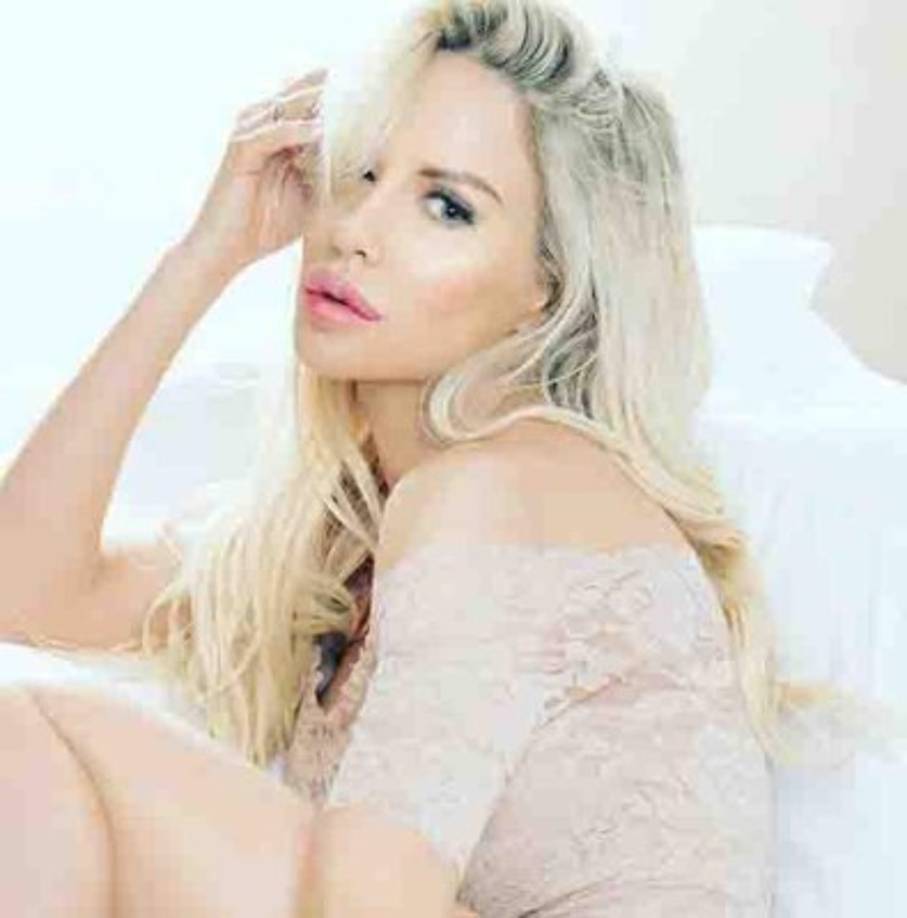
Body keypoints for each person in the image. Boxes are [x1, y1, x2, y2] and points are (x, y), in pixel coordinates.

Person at [3, 0, 893, 914]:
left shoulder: (502, 489)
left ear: (547, 286)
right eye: (361, 171)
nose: (355, 228)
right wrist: (203, 256)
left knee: (26, 735)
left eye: (446, 206)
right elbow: (23, 593)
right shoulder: (348, 534)